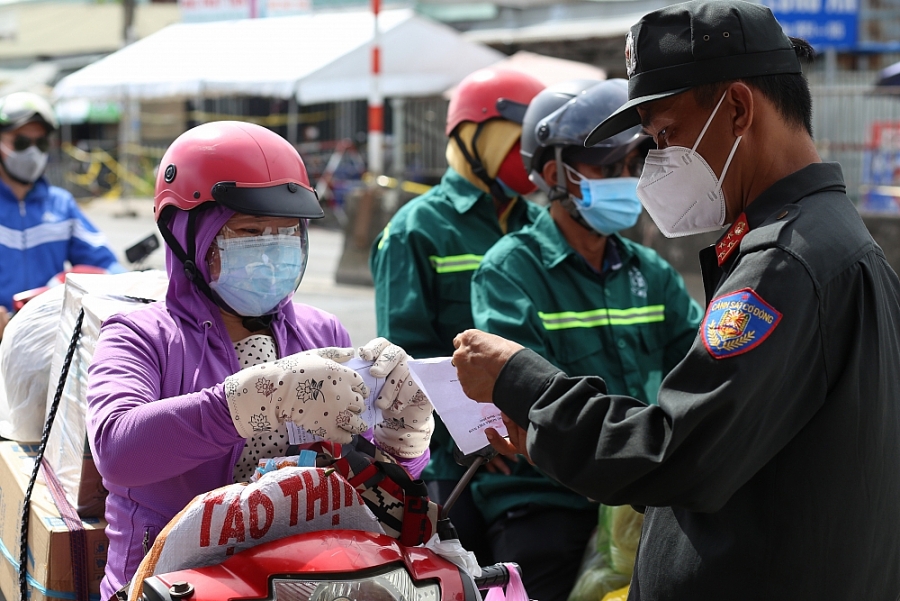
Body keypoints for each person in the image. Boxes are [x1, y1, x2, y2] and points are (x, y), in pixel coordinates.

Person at [452, 1, 900, 599]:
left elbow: (670, 452)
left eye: (665, 136)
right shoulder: (838, 243)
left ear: (738, 109)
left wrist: (524, 383)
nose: (655, 165)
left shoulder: (784, 264)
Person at [87, 121, 432, 600]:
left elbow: (367, 487)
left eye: (287, 234)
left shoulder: (323, 333)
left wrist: (405, 446)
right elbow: (118, 451)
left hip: (304, 581)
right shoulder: (141, 336)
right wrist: (256, 399)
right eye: (248, 233)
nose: (271, 254)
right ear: (186, 235)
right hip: (166, 585)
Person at [468, 79, 703, 601]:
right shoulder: (509, 271)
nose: (627, 180)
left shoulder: (652, 271)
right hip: (544, 494)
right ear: (557, 175)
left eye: (632, 166)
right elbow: (520, 402)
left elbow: (697, 369)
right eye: (608, 167)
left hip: (635, 487)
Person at [369, 67, 545, 562]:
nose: (529, 155)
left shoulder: (537, 223)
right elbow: (405, 357)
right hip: (456, 466)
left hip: (535, 451)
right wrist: (473, 435)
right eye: (518, 140)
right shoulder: (416, 230)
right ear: (475, 140)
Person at [0, 92, 122, 327]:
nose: (32, 152)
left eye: (42, 142)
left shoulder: (61, 204)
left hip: (46, 337)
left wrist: (137, 284)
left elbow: (103, 264)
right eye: (22, 142)